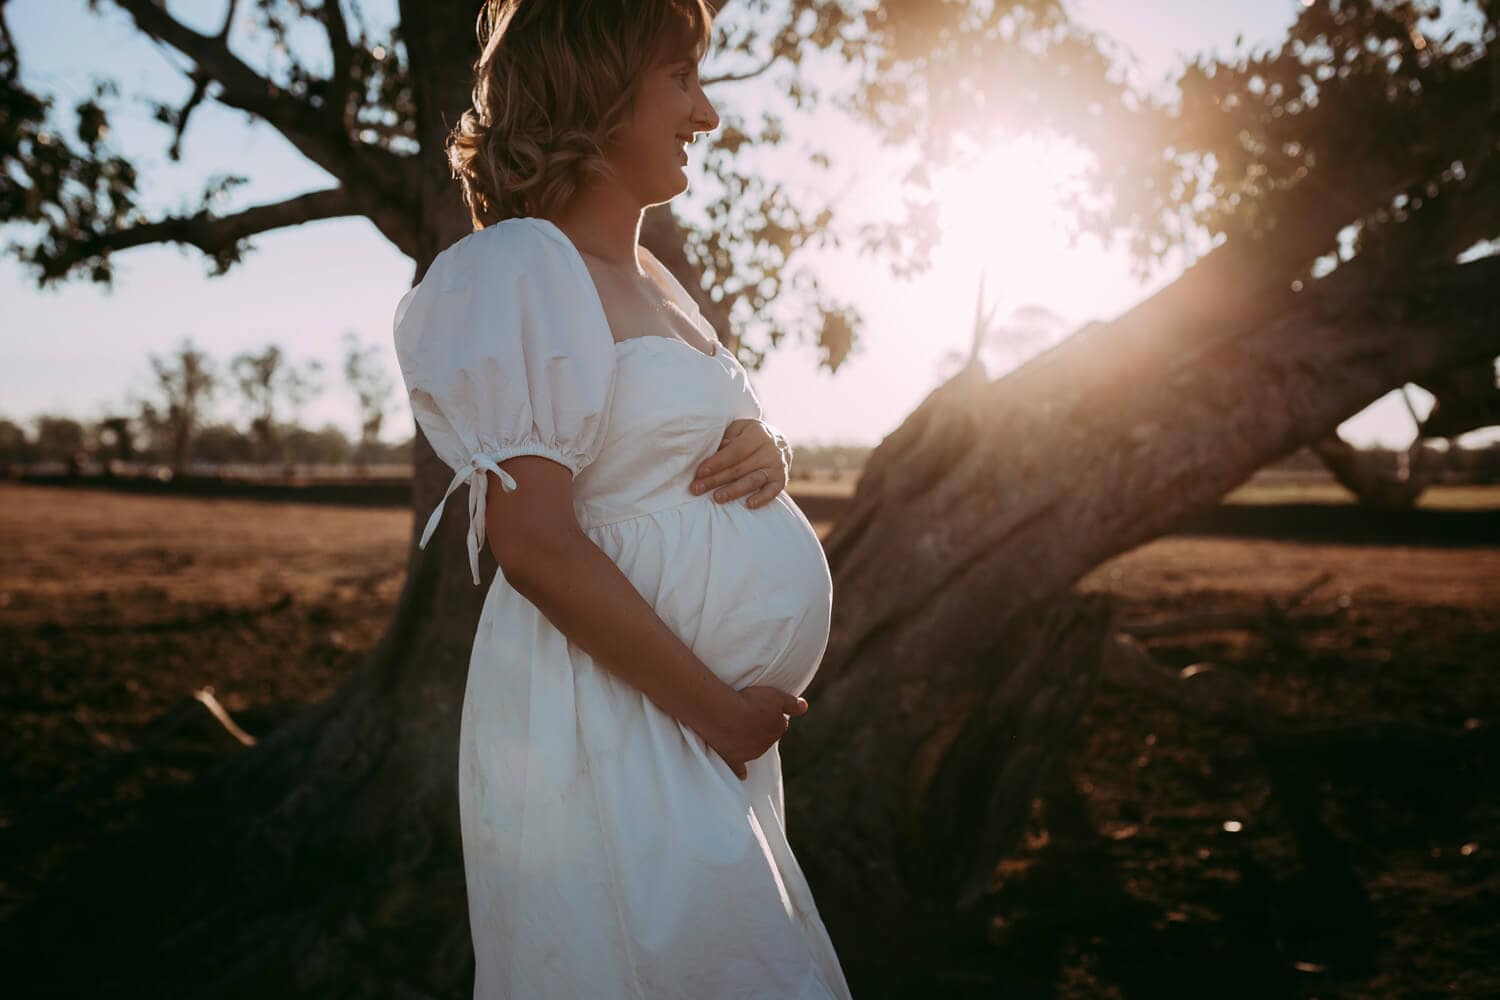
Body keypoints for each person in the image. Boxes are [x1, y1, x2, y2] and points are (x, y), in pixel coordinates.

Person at [390, 1, 853, 996]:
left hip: (693, 724)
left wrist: (763, 451)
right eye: (682, 79)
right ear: (599, 92)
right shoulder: (519, 267)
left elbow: (652, 448)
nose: (709, 114)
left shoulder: (656, 282)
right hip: (614, 718)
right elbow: (534, 539)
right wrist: (720, 715)